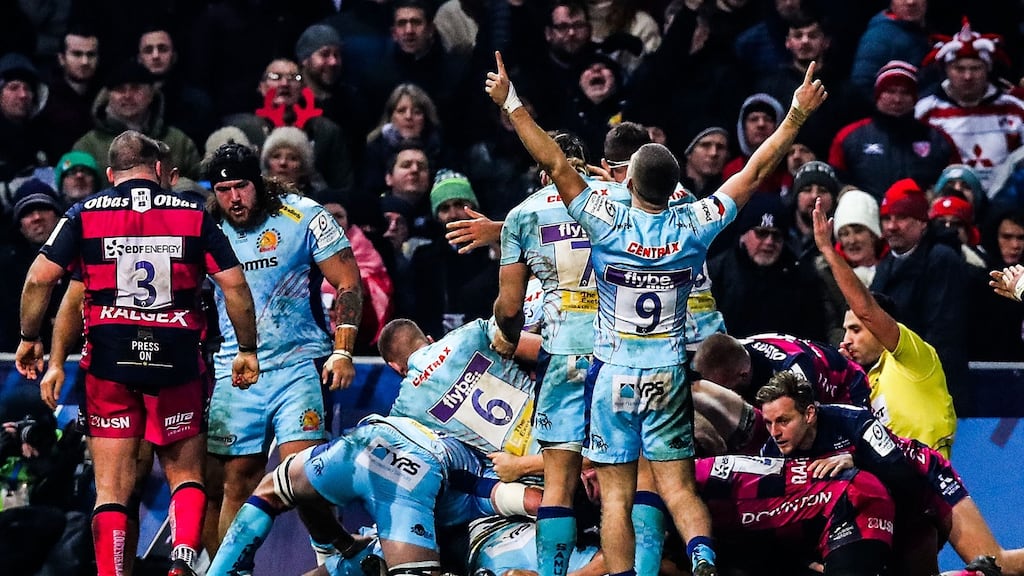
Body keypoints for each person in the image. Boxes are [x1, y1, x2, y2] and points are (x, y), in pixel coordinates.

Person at [485, 50, 827, 575]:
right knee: (676, 486)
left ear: (626, 181)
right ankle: (702, 555)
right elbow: (756, 170)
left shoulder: (607, 220)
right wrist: (797, 115)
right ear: (675, 186)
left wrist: (510, 101)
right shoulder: (695, 223)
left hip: (613, 372)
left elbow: (554, 162)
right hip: (667, 374)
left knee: (615, 496)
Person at [14, 130, 260, 576]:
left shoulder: (84, 213)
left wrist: (31, 338)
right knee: (185, 475)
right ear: (161, 171)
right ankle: (183, 559)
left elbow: (38, 280)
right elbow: (235, 285)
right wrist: (247, 348)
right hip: (177, 357)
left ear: (111, 175)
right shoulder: (192, 213)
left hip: (110, 360)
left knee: (110, 487)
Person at [202, 141, 363, 555]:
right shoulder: (206, 228)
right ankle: (230, 571)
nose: (234, 199)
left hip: (299, 365)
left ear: (258, 182)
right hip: (235, 369)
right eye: (224, 191)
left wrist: (342, 350)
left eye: (242, 187)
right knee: (236, 480)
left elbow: (347, 281)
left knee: (304, 479)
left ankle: (340, 555)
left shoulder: (305, 215)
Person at [492, 129, 631, 576]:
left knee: (559, 481)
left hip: (563, 352)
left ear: (540, 170)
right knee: (623, 480)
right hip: (625, 350)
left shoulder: (523, 215)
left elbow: (511, 309)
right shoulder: (622, 198)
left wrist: (508, 333)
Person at [756, 371, 1024, 576]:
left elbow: (903, 477)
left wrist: (855, 460)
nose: (775, 432)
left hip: (924, 481)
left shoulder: (853, 421)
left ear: (810, 414)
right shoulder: (771, 455)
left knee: (998, 565)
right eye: (768, 423)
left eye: (783, 421)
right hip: (878, 508)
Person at [207, 414, 539, 576]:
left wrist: (337, 545)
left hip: (366, 439)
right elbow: (519, 498)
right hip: (413, 471)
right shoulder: (485, 473)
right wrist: (567, 513)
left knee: (272, 491)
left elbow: (308, 498)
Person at [811, 194, 956, 456]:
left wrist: (827, 250)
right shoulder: (865, 383)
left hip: (930, 488)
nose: (846, 339)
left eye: (856, 330)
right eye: (845, 330)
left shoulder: (914, 358)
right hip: (893, 489)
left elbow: (866, 311)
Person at [869, 178, 971, 414]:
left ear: (923, 223)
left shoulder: (942, 260)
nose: (891, 226)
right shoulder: (887, 264)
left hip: (935, 389)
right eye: (886, 218)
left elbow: (943, 335)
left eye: (901, 217)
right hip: (897, 386)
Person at [916, 18, 1024, 191]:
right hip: (947, 206)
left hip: (1004, 206)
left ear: (987, 69)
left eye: (975, 68)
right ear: (947, 70)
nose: (968, 76)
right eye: (959, 68)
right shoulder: (925, 111)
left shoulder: (1014, 109)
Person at [830, 60, 960, 200]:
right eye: (890, 91)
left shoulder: (938, 139)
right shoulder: (850, 137)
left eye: (905, 92)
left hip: (920, 219)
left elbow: (958, 181)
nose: (897, 99)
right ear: (878, 94)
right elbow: (833, 182)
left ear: (915, 98)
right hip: (868, 218)